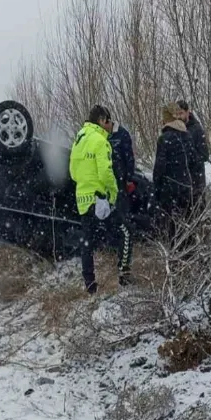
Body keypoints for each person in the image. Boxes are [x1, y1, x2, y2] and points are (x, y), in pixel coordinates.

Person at [69, 105, 133, 294]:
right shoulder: (100, 141)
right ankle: (124, 276)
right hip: (100, 199)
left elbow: (73, 172)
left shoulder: (78, 140)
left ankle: (90, 286)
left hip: (83, 199)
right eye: (108, 122)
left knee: (87, 241)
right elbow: (106, 172)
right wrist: (112, 194)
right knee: (127, 231)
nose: (109, 126)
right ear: (101, 120)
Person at [153, 102, 196, 246]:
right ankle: (189, 256)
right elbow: (192, 159)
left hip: (170, 188)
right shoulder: (187, 135)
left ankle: (173, 260)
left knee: (171, 228)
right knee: (187, 225)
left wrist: (157, 189)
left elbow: (160, 167)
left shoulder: (164, 139)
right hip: (186, 185)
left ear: (166, 119)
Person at [176, 100, 209, 214]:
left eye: (181, 113)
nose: (179, 116)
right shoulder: (176, 130)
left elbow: (204, 155)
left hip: (195, 180)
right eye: (177, 114)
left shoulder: (196, 129)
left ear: (187, 112)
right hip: (181, 181)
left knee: (197, 212)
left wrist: (189, 158)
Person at [108, 119, 137, 217]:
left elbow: (129, 158)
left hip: (121, 179)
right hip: (108, 180)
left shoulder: (122, 134)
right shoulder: (101, 135)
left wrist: (129, 178)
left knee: (122, 211)